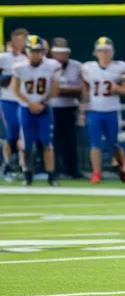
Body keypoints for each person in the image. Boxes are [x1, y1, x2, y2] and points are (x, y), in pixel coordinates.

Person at [10, 35, 61, 186]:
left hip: (44, 108)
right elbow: (16, 90)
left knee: (46, 142)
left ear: (43, 51)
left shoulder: (52, 65)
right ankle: (27, 174)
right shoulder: (19, 67)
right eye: (32, 51)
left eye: (38, 51)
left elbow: (54, 88)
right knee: (27, 143)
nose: (35, 54)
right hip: (26, 108)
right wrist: (30, 103)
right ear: (27, 51)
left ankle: (51, 175)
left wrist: (42, 103)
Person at [80, 37, 125, 184]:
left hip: (112, 110)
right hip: (94, 110)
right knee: (95, 143)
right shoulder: (88, 68)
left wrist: (117, 88)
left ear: (112, 52)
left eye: (107, 51)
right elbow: (85, 91)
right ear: (95, 53)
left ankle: (122, 167)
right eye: (101, 51)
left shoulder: (120, 66)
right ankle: (96, 173)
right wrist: (82, 111)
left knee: (114, 143)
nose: (104, 54)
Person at [48, 39, 84, 180]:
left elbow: (81, 88)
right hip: (52, 106)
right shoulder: (47, 65)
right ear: (53, 54)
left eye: (64, 53)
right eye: (58, 53)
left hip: (70, 107)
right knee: (53, 140)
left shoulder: (77, 66)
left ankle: (72, 169)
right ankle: (54, 169)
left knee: (71, 140)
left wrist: (61, 90)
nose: (61, 56)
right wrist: (66, 90)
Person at [0, 29, 28, 177]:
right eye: (17, 40)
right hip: (8, 99)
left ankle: (24, 167)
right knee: (10, 134)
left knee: (25, 135)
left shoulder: (31, 57)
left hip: (26, 100)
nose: (19, 43)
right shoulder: (4, 57)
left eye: (22, 40)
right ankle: (7, 163)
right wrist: (6, 78)